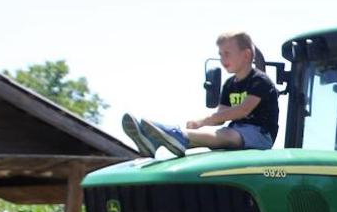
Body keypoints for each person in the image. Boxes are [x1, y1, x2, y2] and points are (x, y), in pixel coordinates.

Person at [120, 30, 280, 157]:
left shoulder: (260, 81)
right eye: (220, 54)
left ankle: (177, 134)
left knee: (226, 136)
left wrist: (203, 121)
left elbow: (242, 110)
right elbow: (221, 116)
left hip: (261, 135)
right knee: (214, 135)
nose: (223, 59)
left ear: (245, 55)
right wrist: (201, 124)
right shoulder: (230, 84)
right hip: (237, 131)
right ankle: (156, 141)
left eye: (227, 54)